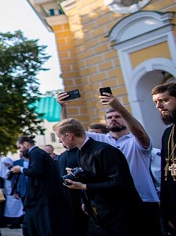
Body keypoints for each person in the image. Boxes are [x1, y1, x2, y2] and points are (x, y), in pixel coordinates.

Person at [58, 90, 161, 235]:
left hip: (144, 199)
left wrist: (120, 108)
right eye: (110, 117)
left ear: (125, 119)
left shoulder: (136, 140)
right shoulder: (102, 140)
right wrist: (63, 107)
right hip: (114, 203)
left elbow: (140, 134)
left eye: (117, 116)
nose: (114, 119)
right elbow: (70, 133)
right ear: (105, 122)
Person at [55, 118, 142, 235]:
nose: (60, 142)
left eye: (60, 138)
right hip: (99, 212)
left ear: (69, 136)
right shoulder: (80, 152)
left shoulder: (105, 151)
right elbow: (96, 176)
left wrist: (84, 186)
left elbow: (120, 183)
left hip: (120, 214)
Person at [10, 135, 72, 236]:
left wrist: (20, 170)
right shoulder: (38, 153)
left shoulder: (36, 153)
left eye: (19, 147)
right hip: (43, 196)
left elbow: (37, 171)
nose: (20, 151)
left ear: (26, 144)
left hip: (42, 197)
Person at [152, 82, 176, 234]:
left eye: (164, 100)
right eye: (155, 102)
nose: (158, 106)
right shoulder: (168, 134)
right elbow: (165, 176)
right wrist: (167, 212)